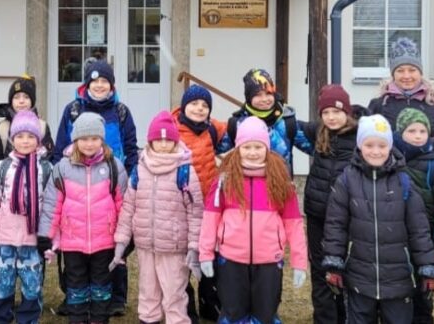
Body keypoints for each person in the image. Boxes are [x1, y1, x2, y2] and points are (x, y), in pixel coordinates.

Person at [322, 115, 434, 324]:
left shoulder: (404, 181)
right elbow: (336, 224)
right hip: (359, 274)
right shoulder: (347, 180)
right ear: (360, 146)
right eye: (369, 145)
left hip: (399, 277)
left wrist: (427, 264)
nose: (376, 151)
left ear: (390, 146)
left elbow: (419, 228)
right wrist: (334, 260)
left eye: (382, 145)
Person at [199, 116, 307, 323]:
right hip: (231, 260)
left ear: (267, 148)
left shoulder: (280, 181)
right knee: (233, 312)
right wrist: (205, 254)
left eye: (258, 147)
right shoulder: (225, 180)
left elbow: (294, 224)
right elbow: (210, 220)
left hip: (268, 261)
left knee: (265, 314)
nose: (253, 152)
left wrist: (299, 262)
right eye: (247, 147)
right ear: (238, 148)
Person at [51, 60, 138, 316]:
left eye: (104, 81)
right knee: (75, 246)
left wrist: (129, 181)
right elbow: (60, 147)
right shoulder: (73, 110)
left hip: (110, 186)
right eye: (95, 81)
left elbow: (131, 148)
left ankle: (115, 298)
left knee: (112, 243)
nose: (99, 86)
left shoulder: (121, 112)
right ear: (86, 84)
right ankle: (74, 296)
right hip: (76, 186)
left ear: (112, 85)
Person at [113, 111, 203, 324]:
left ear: (175, 141)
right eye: (158, 140)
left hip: (173, 247)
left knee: (174, 294)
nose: (163, 145)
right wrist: (121, 241)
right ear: (150, 141)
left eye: (168, 140)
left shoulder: (185, 172)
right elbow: (128, 207)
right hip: (146, 245)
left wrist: (194, 247)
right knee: (148, 292)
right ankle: (149, 319)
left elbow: (196, 213)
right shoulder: (140, 169)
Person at [40, 112, 129, 324]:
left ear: (102, 139)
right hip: (73, 242)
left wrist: (125, 237)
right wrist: (46, 235)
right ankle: (78, 319)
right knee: (76, 285)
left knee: (101, 287)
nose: (89, 144)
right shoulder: (62, 168)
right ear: (75, 140)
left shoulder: (114, 166)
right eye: (84, 139)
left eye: (94, 138)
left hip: (104, 241)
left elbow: (124, 204)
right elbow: (52, 204)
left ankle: (99, 319)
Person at [0, 110, 54, 324]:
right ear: (12, 139)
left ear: (38, 139)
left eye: (30, 136)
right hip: (5, 238)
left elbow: (52, 206)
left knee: (32, 284)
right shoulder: (3, 167)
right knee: (2, 282)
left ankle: (28, 318)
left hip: (33, 239)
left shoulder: (46, 169)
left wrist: (52, 238)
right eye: (20, 136)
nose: (25, 141)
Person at [296, 84, 359, 324]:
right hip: (318, 214)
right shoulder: (318, 132)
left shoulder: (360, 136)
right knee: (320, 269)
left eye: (337, 111)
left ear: (347, 112)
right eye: (326, 112)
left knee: (345, 268)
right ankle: (324, 318)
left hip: (348, 217)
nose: (331, 117)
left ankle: (345, 316)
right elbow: (292, 124)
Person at [392, 107, 434, 324]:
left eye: (422, 131)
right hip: (396, 235)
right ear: (400, 132)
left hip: (425, 237)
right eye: (412, 131)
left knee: (423, 287)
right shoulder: (390, 157)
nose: (418, 136)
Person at [171, 85, 226, 322]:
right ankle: (185, 308)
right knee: (182, 259)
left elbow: (236, 129)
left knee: (208, 254)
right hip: (180, 207)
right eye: (194, 104)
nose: (199, 109)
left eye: (204, 105)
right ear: (184, 106)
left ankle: (209, 303)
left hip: (208, 206)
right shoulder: (172, 129)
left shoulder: (212, 129)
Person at [367, 36, 434, 150]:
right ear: (393, 74)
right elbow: (366, 141)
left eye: (412, 70)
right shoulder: (379, 105)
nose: (406, 76)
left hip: (433, 161)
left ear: (420, 72)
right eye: (400, 71)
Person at [218, 68, 305, 176]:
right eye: (258, 94)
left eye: (268, 93)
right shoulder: (237, 125)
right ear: (249, 97)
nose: (264, 99)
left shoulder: (287, 122)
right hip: (245, 185)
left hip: (280, 184)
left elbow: (319, 148)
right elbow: (209, 148)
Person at [0, 75, 55, 157]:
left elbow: (50, 156)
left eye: (26, 97)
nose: (21, 101)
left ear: (32, 101)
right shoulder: (2, 127)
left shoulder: (42, 126)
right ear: (11, 101)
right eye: (16, 97)